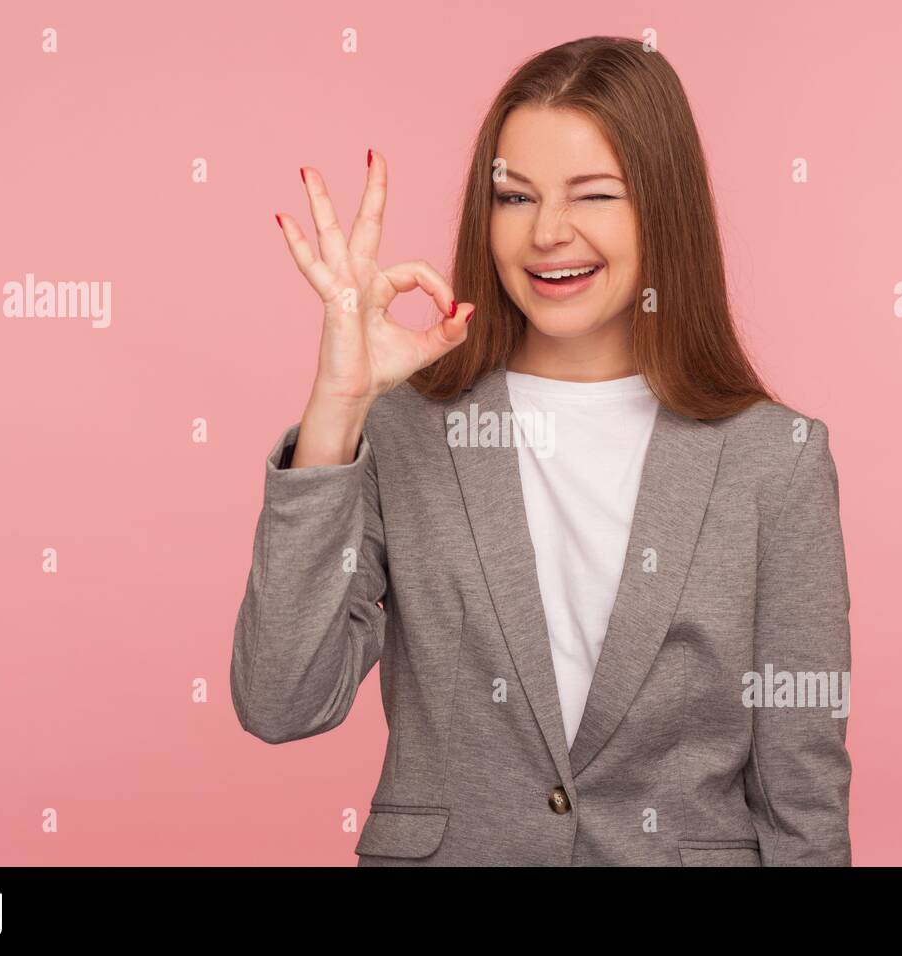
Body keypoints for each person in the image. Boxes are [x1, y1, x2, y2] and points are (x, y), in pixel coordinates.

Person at [231, 35, 853, 866]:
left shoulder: (775, 460)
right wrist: (339, 406)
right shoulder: (406, 430)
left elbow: (802, 795)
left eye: (593, 195)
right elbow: (281, 700)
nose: (548, 233)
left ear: (662, 210)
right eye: (515, 197)